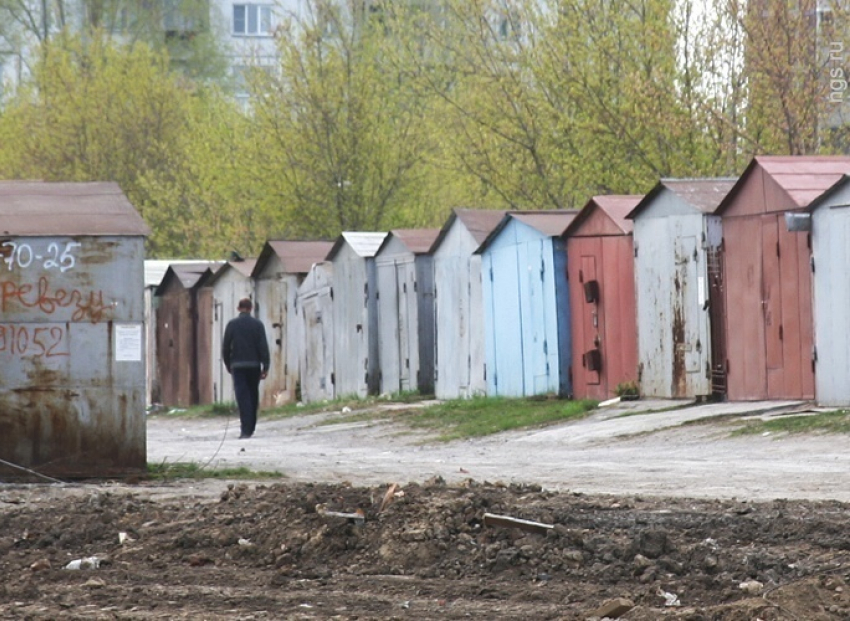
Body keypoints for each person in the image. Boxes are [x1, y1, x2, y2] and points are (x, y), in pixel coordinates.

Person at [222, 297, 270, 439]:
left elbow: (226, 346)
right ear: (251, 308)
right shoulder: (257, 325)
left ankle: (245, 429)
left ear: (238, 308)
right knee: (253, 395)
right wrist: (265, 366)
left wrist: (228, 363)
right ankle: (251, 426)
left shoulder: (232, 325)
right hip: (254, 365)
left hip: (238, 366)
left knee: (242, 397)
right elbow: (263, 346)